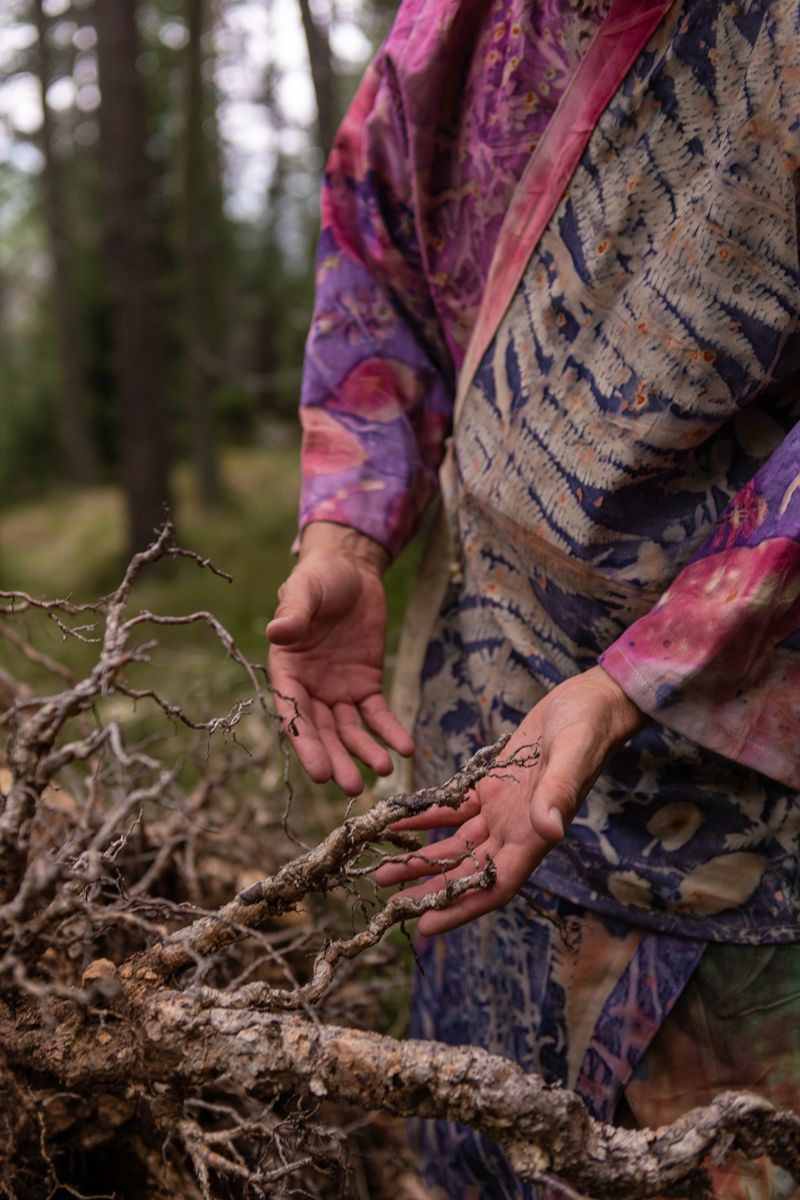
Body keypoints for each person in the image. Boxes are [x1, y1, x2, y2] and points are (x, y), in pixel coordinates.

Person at [267, 0, 800, 1195]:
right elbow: (375, 240)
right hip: (489, 723)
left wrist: (637, 678)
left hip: (741, 817)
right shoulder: (469, 25)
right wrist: (349, 530)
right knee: (478, 1129)